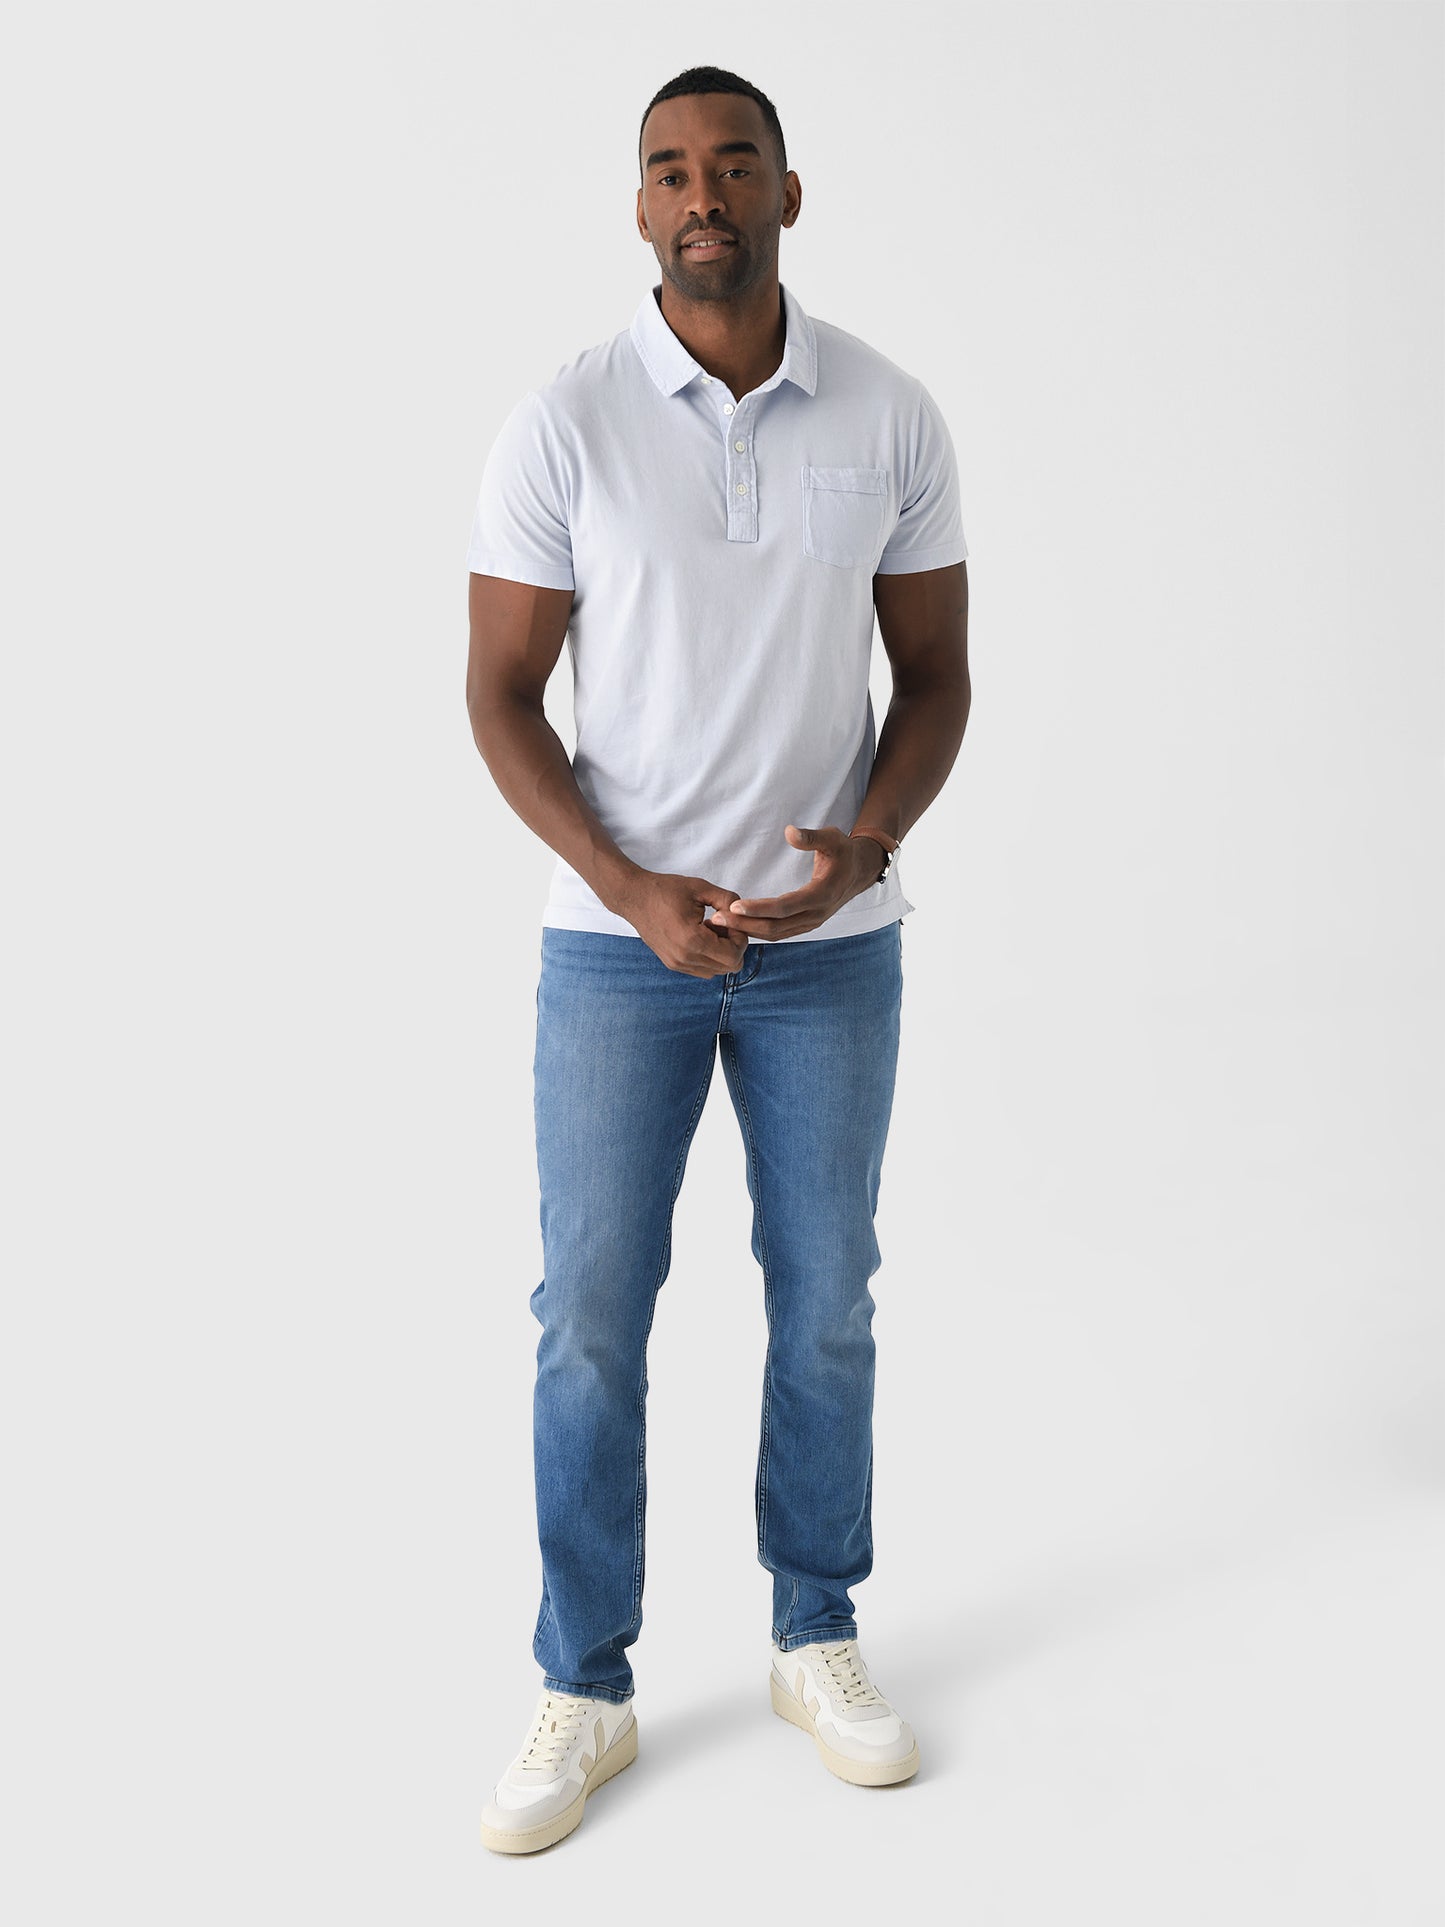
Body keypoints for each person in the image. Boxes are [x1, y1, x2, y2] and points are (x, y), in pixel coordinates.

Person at [465, 64, 970, 1854]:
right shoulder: (565, 422)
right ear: (639, 208)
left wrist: (869, 847)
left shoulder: (888, 412)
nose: (704, 194)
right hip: (618, 959)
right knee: (588, 1320)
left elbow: (936, 677)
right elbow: (500, 695)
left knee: (825, 1302)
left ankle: (813, 1634)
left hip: (833, 956)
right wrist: (627, 887)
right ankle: (584, 1682)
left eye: (735, 163)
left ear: (786, 193)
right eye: (670, 170)